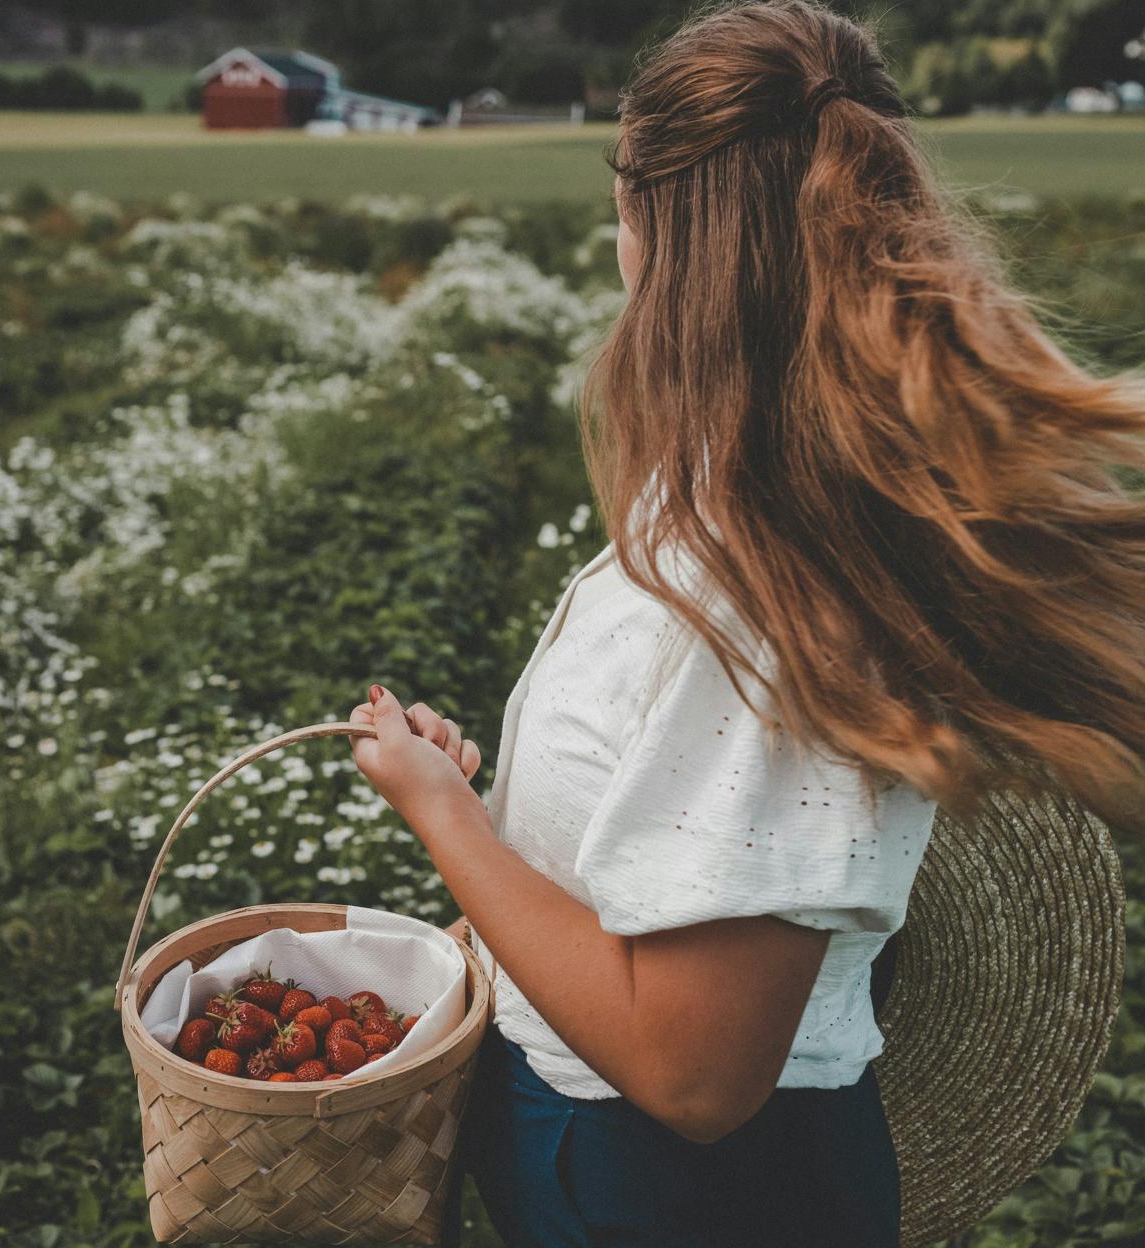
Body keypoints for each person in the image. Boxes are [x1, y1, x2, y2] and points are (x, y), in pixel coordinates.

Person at [348, 2, 1145, 1244]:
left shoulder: (763, 584)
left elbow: (694, 1078)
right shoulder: (726, 491)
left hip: (670, 1186)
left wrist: (445, 817)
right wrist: (521, 832)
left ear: (655, 227)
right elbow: (678, 843)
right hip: (605, 1154)